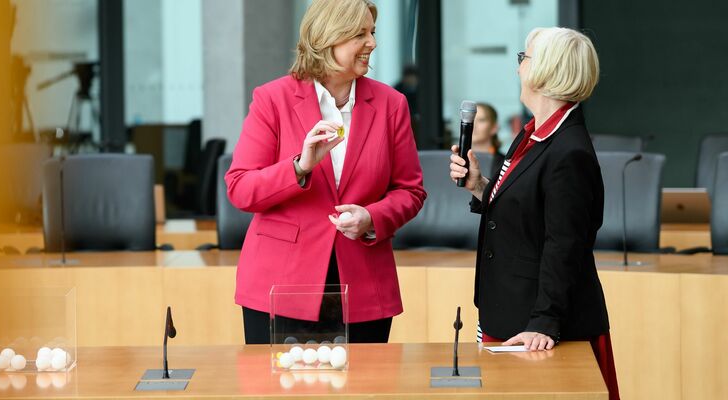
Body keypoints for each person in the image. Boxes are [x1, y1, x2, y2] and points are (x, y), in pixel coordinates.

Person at [226, 0, 426, 345]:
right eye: (360, 34)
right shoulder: (272, 99)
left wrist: (372, 216)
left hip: (363, 284)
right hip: (281, 282)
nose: (372, 43)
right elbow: (240, 188)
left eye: (373, 32)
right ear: (328, 38)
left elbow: (411, 191)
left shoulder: (392, 104)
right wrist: (299, 167)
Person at [449, 27, 620, 399]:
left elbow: (565, 244)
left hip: (541, 329)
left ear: (547, 72)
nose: (518, 68)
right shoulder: (534, 135)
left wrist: (545, 321)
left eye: (523, 58)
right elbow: (528, 213)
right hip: (512, 313)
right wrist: (481, 187)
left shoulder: (568, 150)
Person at [470, 102, 505, 177]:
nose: (473, 125)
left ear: (494, 128)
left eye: (481, 120)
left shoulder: (505, 164)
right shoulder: (456, 161)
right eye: (471, 119)